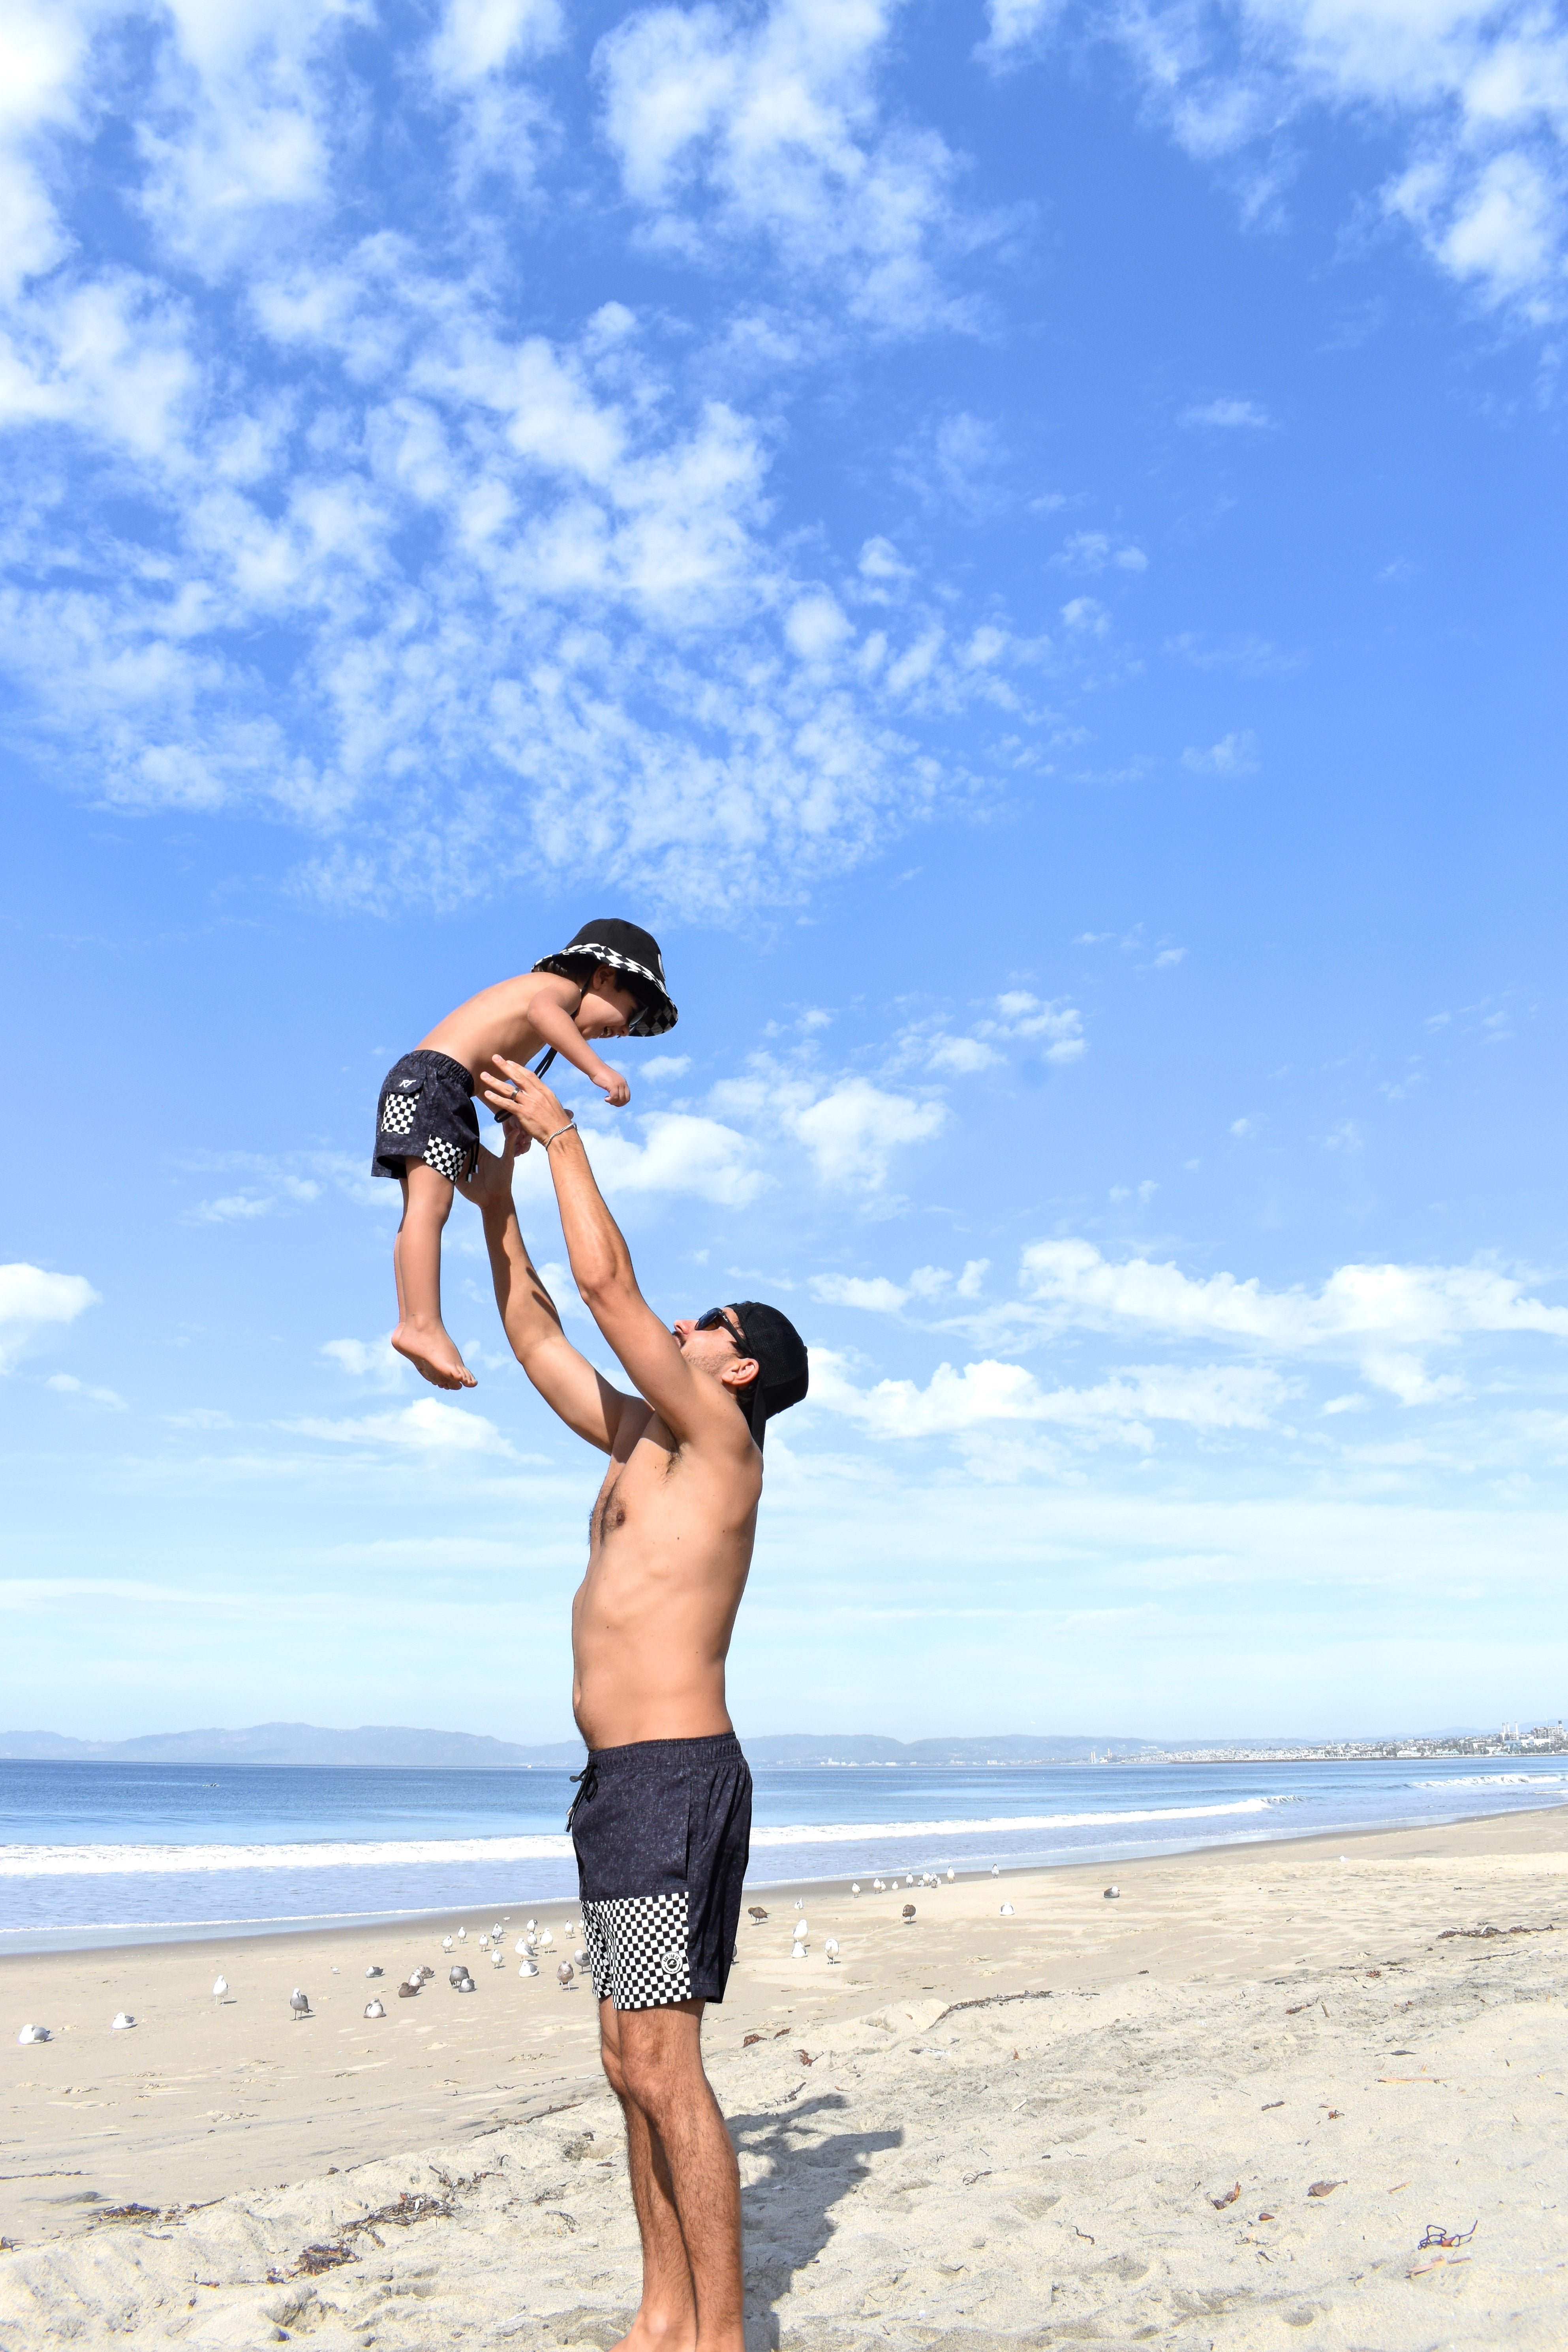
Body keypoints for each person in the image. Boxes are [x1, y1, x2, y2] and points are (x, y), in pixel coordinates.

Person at [457, 1055, 808, 2352]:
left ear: (737, 1370)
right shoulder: (635, 1440)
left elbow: (605, 1289)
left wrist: (557, 1135)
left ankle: (718, 2336)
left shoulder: (721, 1445)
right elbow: (540, 1327)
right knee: (626, 2064)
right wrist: (494, 1192)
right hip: (621, 1791)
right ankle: (662, 2313)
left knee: (665, 2064)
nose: (688, 1325)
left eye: (710, 1321)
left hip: (669, 1781)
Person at [370, 919, 676, 1391]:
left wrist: (506, 1114)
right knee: (431, 1209)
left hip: (428, 1082)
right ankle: (422, 1324)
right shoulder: (556, 992)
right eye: (631, 1015)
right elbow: (542, 1014)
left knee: (419, 1211)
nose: (623, 1032)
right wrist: (597, 1069)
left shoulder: (540, 1005)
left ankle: (414, 1317)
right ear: (601, 976)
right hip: (436, 1083)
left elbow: (484, 1066)